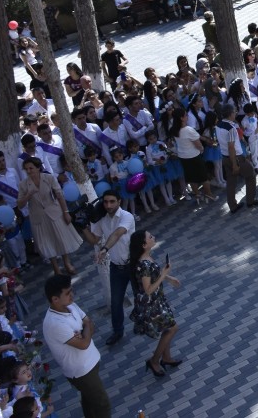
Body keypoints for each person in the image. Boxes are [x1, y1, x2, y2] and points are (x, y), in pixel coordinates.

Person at [41, 275, 112, 418]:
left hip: (90, 363)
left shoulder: (70, 305)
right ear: (55, 299)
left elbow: (90, 322)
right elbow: (84, 343)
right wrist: (85, 330)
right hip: (81, 372)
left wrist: (83, 331)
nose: (72, 295)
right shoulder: (54, 323)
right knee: (102, 403)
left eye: (71, 290)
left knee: (89, 401)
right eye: (67, 293)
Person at [79, 191, 135, 347]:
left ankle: (146, 323)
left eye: (112, 201)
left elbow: (117, 234)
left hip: (133, 265)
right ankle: (118, 331)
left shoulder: (126, 216)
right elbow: (94, 240)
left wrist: (104, 249)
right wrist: (83, 228)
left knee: (142, 296)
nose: (108, 205)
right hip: (116, 267)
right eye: (105, 202)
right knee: (116, 302)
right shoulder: (100, 219)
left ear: (119, 201)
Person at [128, 230, 181, 378]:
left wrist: (168, 278)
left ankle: (166, 358)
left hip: (158, 301)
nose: (153, 237)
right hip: (152, 305)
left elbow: (155, 274)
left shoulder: (147, 257)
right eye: (150, 237)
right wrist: (164, 274)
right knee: (172, 328)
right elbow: (148, 289)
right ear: (144, 245)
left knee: (167, 328)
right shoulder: (143, 264)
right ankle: (154, 360)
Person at [17, 158, 81, 276]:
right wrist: (28, 194)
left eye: (31, 168)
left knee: (61, 238)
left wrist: (66, 212)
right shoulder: (23, 184)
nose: (29, 171)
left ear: (38, 167)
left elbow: (60, 195)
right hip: (38, 217)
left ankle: (67, 262)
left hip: (54, 213)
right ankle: (56, 268)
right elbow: (20, 204)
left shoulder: (49, 178)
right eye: (26, 169)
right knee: (47, 242)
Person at [217, 103, 258, 213]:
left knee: (231, 182)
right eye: (234, 111)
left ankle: (233, 206)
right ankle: (250, 200)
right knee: (251, 175)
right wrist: (235, 164)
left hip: (225, 157)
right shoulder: (231, 128)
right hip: (236, 157)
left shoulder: (218, 125)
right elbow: (231, 146)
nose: (236, 113)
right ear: (230, 113)